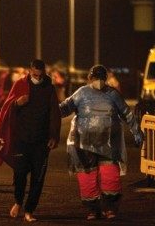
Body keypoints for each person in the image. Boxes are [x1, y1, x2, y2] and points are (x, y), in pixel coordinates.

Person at [58, 65, 143, 220]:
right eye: (96, 78)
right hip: (84, 144)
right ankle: (92, 210)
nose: (98, 81)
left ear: (106, 79)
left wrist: (137, 132)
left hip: (109, 144)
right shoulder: (81, 93)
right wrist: (46, 110)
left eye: (101, 78)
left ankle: (110, 208)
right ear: (90, 78)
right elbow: (64, 108)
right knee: (87, 177)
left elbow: (127, 114)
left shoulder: (113, 94)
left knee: (110, 177)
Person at [0, 59, 61, 222]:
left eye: (40, 75)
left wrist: (54, 136)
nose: (37, 78)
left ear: (44, 73)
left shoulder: (49, 88)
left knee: (38, 177)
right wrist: (17, 103)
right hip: (22, 139)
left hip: (42, 142)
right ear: (30, 70)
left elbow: (55, 113)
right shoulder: (20, 84)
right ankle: (18, 201)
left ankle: (29, 210)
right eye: (35, 74)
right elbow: (7, 107)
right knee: (20, 174)